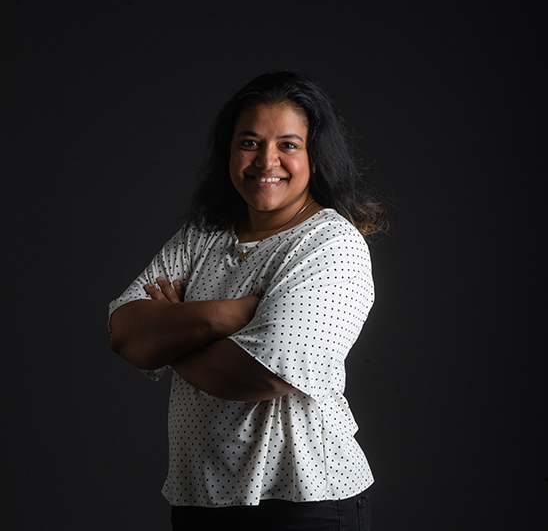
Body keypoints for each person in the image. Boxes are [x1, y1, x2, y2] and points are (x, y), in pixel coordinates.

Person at [108, 70, 387, 530]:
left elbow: (262, 372)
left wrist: (171, 330)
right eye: (250, 142)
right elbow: (122, 329)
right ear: (230, 151)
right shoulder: (203, 234)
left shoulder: (329, 243)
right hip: (200, 495)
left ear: (315, 156)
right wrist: (226, 315)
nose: (266, 160)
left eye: (288, 145)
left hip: (301, 501)